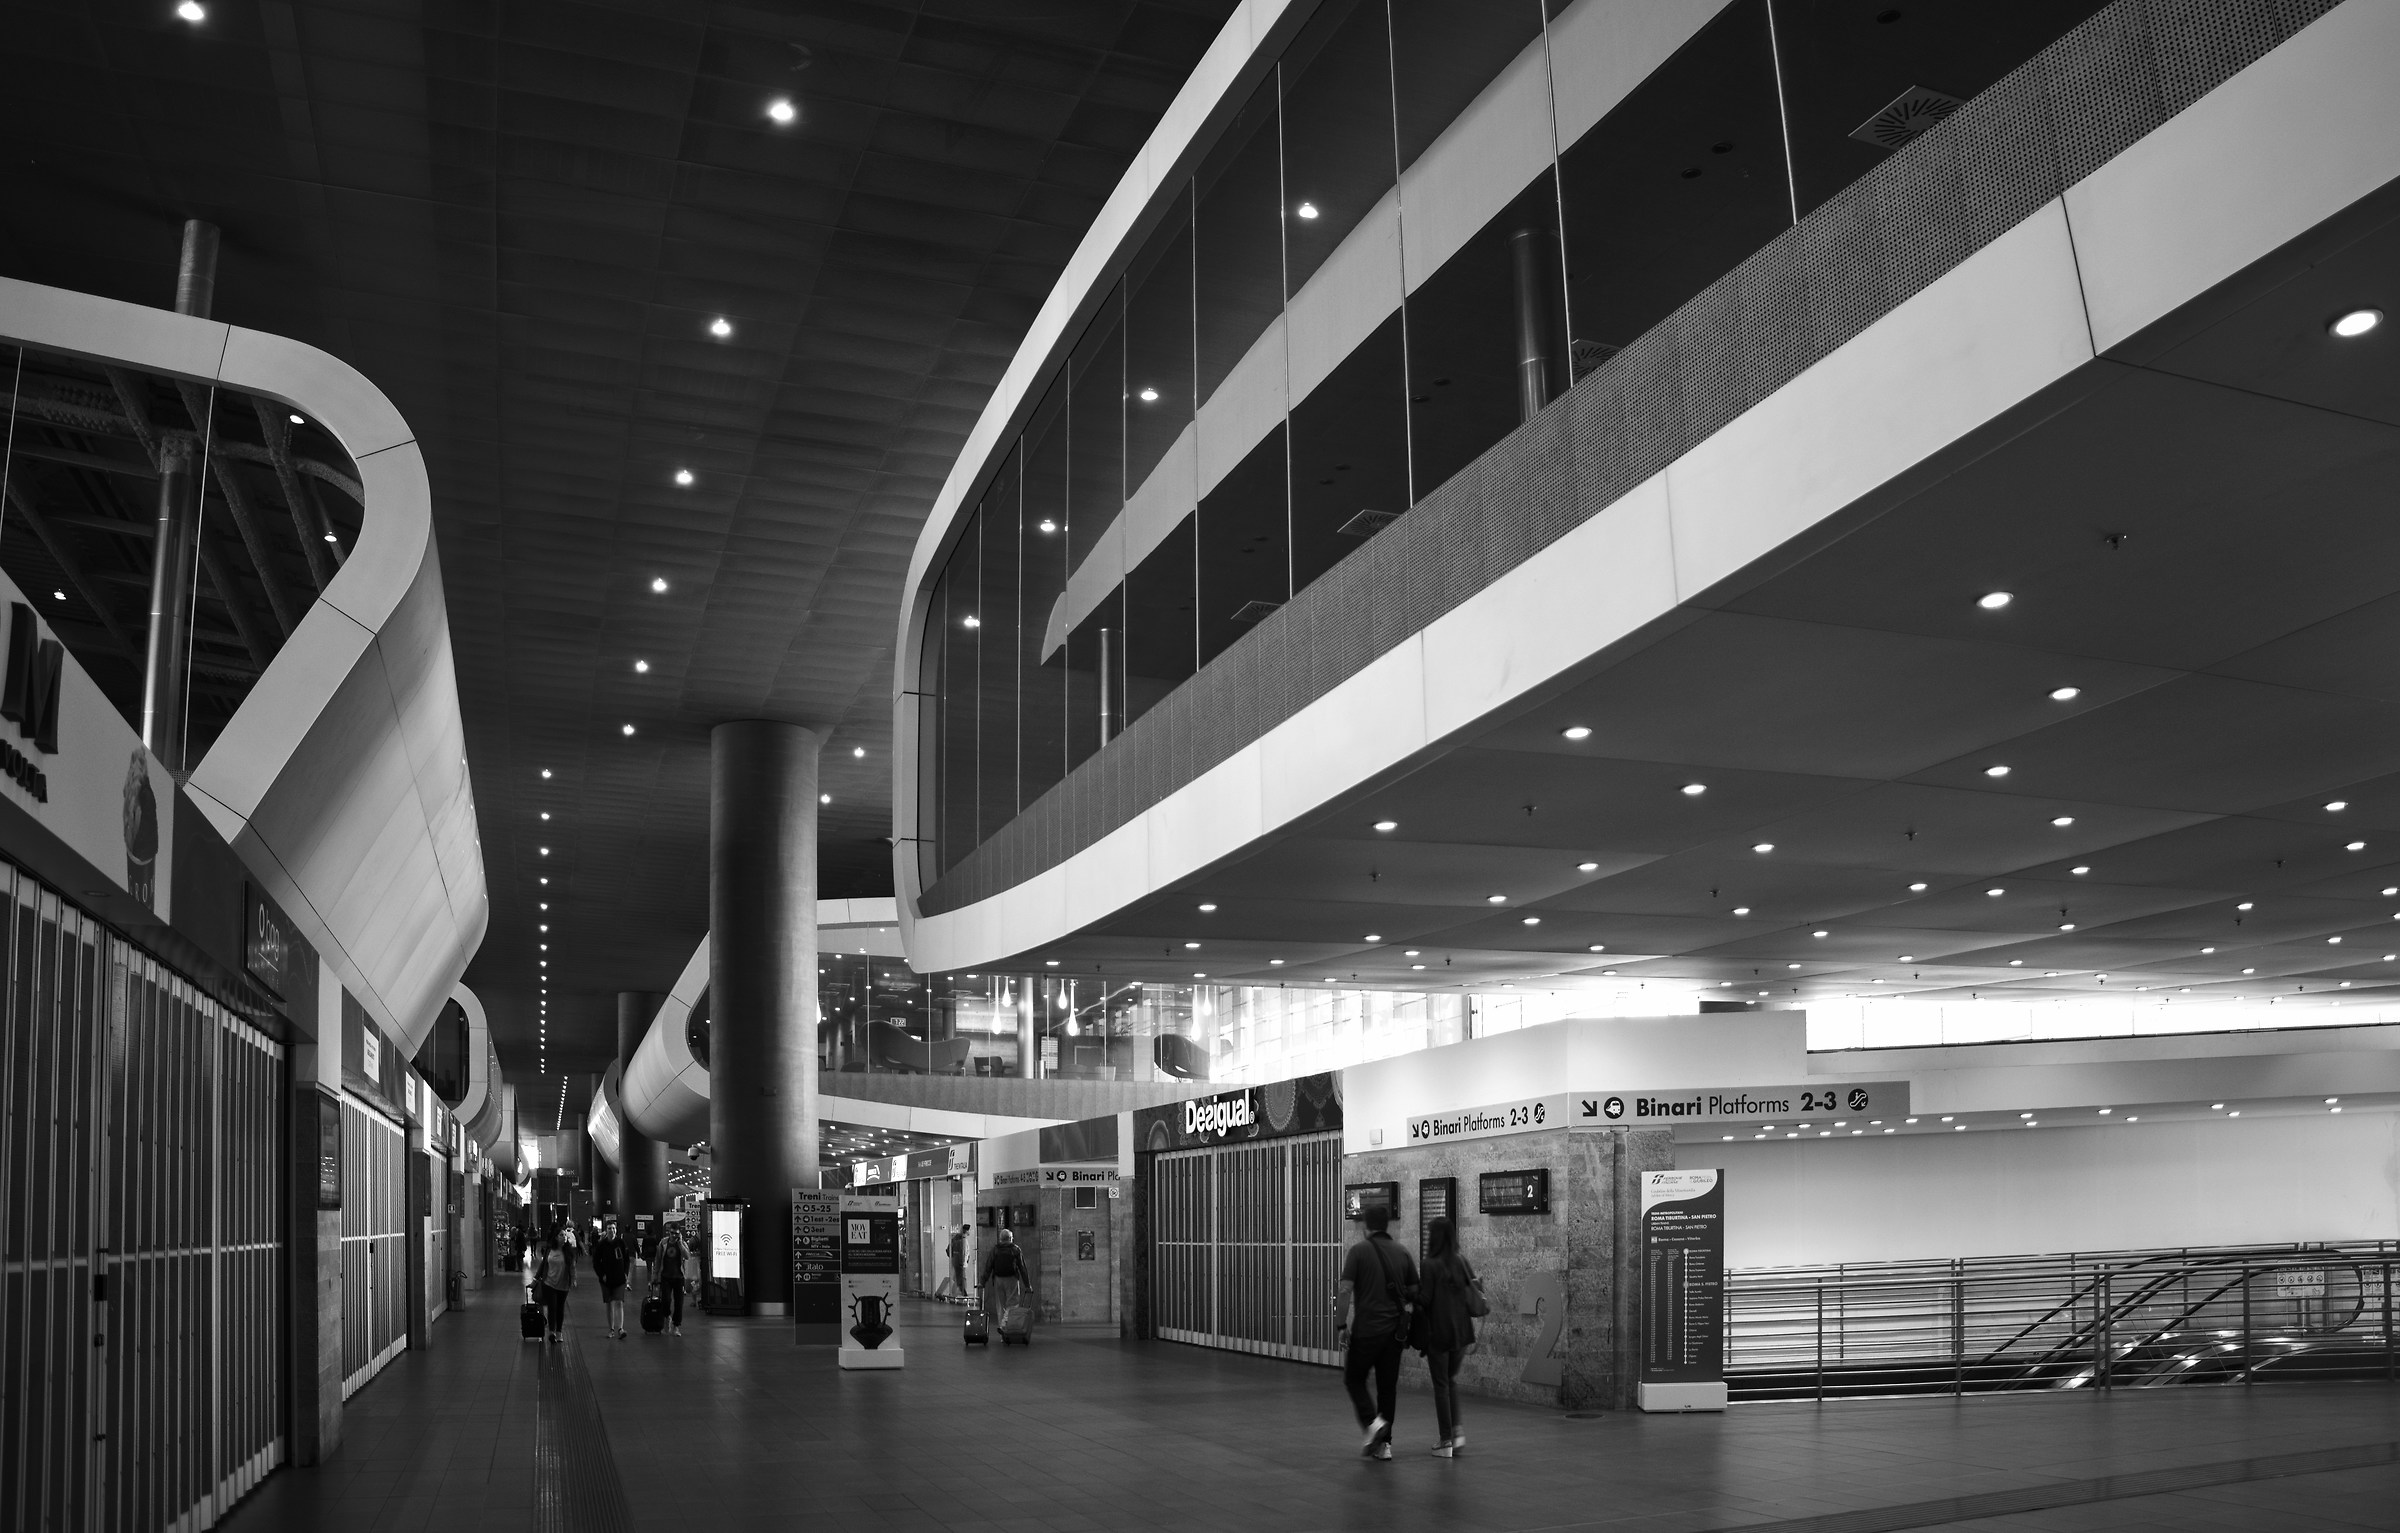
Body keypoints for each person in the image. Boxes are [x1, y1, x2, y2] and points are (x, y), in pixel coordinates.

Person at [1335, 1204, 1418, 1460]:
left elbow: (1346, 1291)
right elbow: (1415, 1292)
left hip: (1367, 1331)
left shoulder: (1358, 1252)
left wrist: (1341, 1326)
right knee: (1387, 1388)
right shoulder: (1402, 1252)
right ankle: (1385, 1446)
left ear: (1365, 1227)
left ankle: (1373, 1424)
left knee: (1354, 1379)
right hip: (1394, 1334)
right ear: (1387, 1225)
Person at [1415, 1217, 1479, 1458]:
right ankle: (1457, 1432)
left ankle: (1446, 1441)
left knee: (1441, 1384)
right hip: (1461, 1333)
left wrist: (1409, 1292)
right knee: (1450, 1380)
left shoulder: (1429, 1264)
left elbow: (1426, 1300)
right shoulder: (1461, 1261)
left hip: (1438, 1333)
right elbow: (1473, 1290)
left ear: (1435, 1237)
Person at [591, 1219, 633, 1339]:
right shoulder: (601, 1245)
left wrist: (626, 1273)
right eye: (609, 1228)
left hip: (619, 1278)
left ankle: (620, 1328)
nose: (612, 1230)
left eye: (613, 1228)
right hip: (606, 1280)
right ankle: (611, 1329)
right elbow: (596, 1262)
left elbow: (626, 1260)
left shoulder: (621, 1243)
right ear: (606, 1230)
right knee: (609, 1303)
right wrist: (601, 1275)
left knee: (619, 1302)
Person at [536, 1232, 576, 1343]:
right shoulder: (549, 1250)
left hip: (563, 1284)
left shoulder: (569, 1251)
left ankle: (559, 1332)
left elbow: (572, 1267)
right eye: (561, 1235)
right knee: (552, 1307)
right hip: (549, 1283)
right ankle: (552, 1332)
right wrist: (536, 1279)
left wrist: (573, 1279)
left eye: (564, 1235)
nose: (564, 1237)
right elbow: (543, 1264)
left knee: (560, 1308)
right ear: (556, 1237)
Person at [655, 1220, 693, 1336]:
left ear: (679, 1233)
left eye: (676, 1233)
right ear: (669, 1232)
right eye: (672, 1233)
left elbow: (687, 1256)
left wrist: (681, 1244)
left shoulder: (681, 1243)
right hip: (665, 1276)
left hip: (678, 1277)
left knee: (679, 1302)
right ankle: (667, 1318)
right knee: (666, 1300)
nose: (674, 1236)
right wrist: (655, 1276)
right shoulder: (663, 1242)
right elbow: (658, 1260)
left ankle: (676, 1326)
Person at [983, 1227, 1029, 1319]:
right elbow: (1022, 1267)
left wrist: (982, 1281)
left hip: (998, 1279)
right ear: (1010, 1238)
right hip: (1012, 1279)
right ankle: (1008, 1324)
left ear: (1001, 1239)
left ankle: (1002, 1325)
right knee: (1013, 1303)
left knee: (1000, 1305)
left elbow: (988, 1266)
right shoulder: (1015, 1249)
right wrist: (1027, 1284)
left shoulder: (995, 1249)